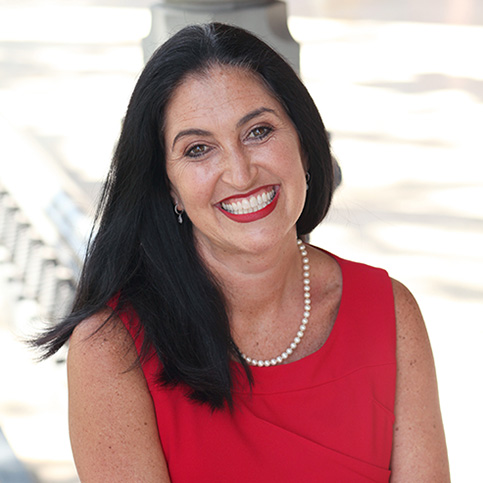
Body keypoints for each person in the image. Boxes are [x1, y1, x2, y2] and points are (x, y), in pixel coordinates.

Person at [34, 22, 449, 481]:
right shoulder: (112, 348)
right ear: (168, 186)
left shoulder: (390, 314)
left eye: (258, 132)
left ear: (304, 146)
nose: (239, 171)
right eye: (198, 149)